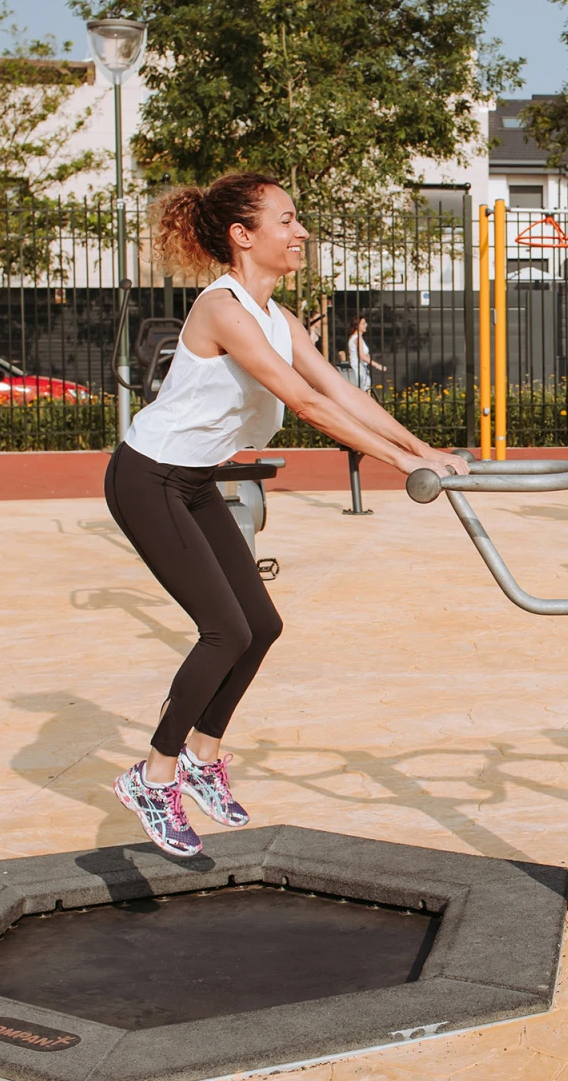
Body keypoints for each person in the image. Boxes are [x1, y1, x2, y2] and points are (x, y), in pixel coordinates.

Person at [106, 172, 466, 857]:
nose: (301, 232)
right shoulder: (223, 308)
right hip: (146, 477)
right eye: (287, 220)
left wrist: (425, 450)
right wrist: (404, 466)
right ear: (243, 236)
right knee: (223, 631)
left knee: (260, 626)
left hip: (195, 481)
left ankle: (203, 756)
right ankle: (155, 775)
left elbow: (340, 391)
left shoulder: (281, 319)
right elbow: (308, 406)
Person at [346, 314, 384, 392]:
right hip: (358, 370)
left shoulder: (355, 337)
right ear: (357, 325)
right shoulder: (357, 338)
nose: (365, 325)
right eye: (363, 324)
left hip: (361, 369)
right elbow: (362, 356)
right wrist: (377, 365)